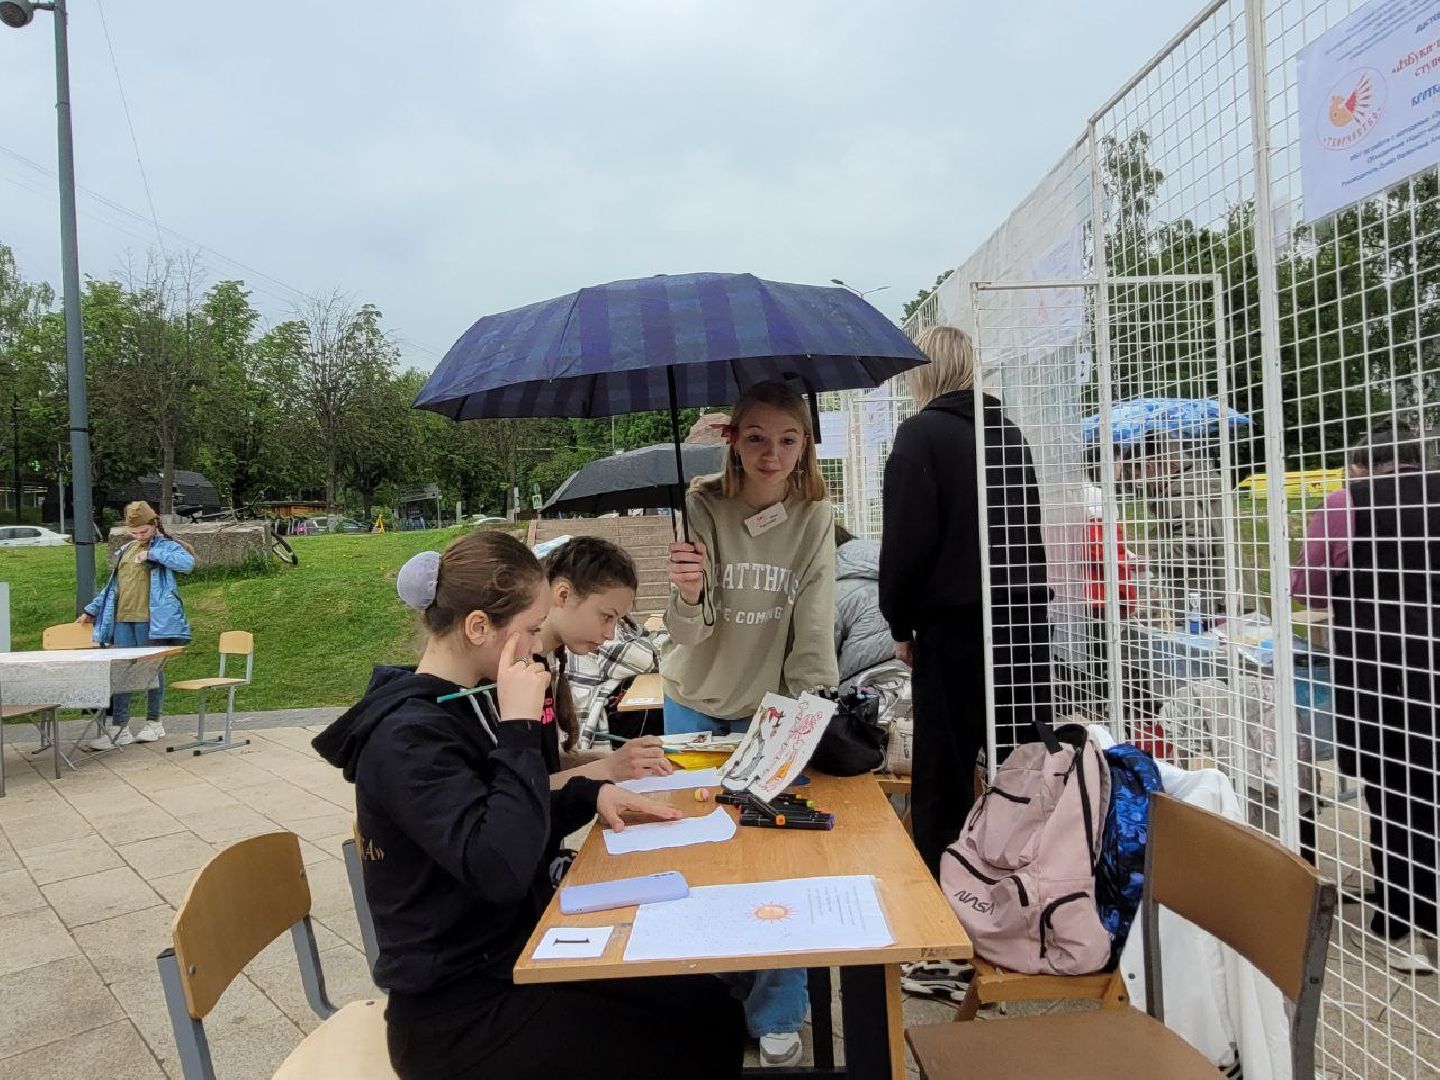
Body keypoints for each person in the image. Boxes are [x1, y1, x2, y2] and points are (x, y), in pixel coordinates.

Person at [312, 530, 744, 1079]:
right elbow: (499, 865)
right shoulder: (407, 737)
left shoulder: (466, 701)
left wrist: (591, 793)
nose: (540, 646)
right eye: (532, 630)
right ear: (478, 628)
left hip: (518, 955)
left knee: (711, 1011)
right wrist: (518, 727)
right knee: (682, 1046)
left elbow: (506, 812)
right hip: (459, 1013)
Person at [664, 379, 837, 1068]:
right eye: (757, 437)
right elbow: (690, 631)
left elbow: (813, 621)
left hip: (769, 710)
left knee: (777, 857)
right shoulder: (701, 504)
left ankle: (778, 1009)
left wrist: (810, 707)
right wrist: (687, 591)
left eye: (788, 439)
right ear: (732, 439)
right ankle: (705, 993)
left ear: (806, 445)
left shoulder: (814, 514)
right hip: (694, 698)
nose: (773, 454)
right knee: (696, 855)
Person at [878, 325, 1053, 877]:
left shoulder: (919, 435)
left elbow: (905, 542)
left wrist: (900, 623)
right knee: (1025, 762)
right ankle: (1025, 883)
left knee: (945, 772)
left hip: (953, 625)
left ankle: (944, 890)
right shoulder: (1009, 434)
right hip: (1023, 617)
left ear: (920, 373)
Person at [1326, 426, 1438, 974]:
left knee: (1389, 791)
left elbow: (1306, 580)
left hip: (1376, 669)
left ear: (1362, 465)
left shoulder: (1347, 503)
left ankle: (1399, 920)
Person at [536, 535, 674, 784]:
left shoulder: (546, 661)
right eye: (606, 617)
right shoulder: (514, 670)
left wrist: (616, 759)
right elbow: (523, 789)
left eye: (616, 621)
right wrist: (609, 768)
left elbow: (544, 764)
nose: (610, 634)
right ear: (563, 595)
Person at [78, 501, 195, 749]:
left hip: (151, 621)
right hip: (123, 620)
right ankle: (120, 727)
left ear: (154, 525)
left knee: (152, 671)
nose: (140, 536)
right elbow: (112, 587)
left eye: (144, 531)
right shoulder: (126, 550)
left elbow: (187, 563)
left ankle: (154, 722)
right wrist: (91, 610)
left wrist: (152, 554)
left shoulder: (165, 546)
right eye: (135, 532)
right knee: (121, 671)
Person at [833, 522, 895, 684]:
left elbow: (819, 656)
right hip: (918, 670)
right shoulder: (893, 567)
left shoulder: (832, 592)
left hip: (866, 682)